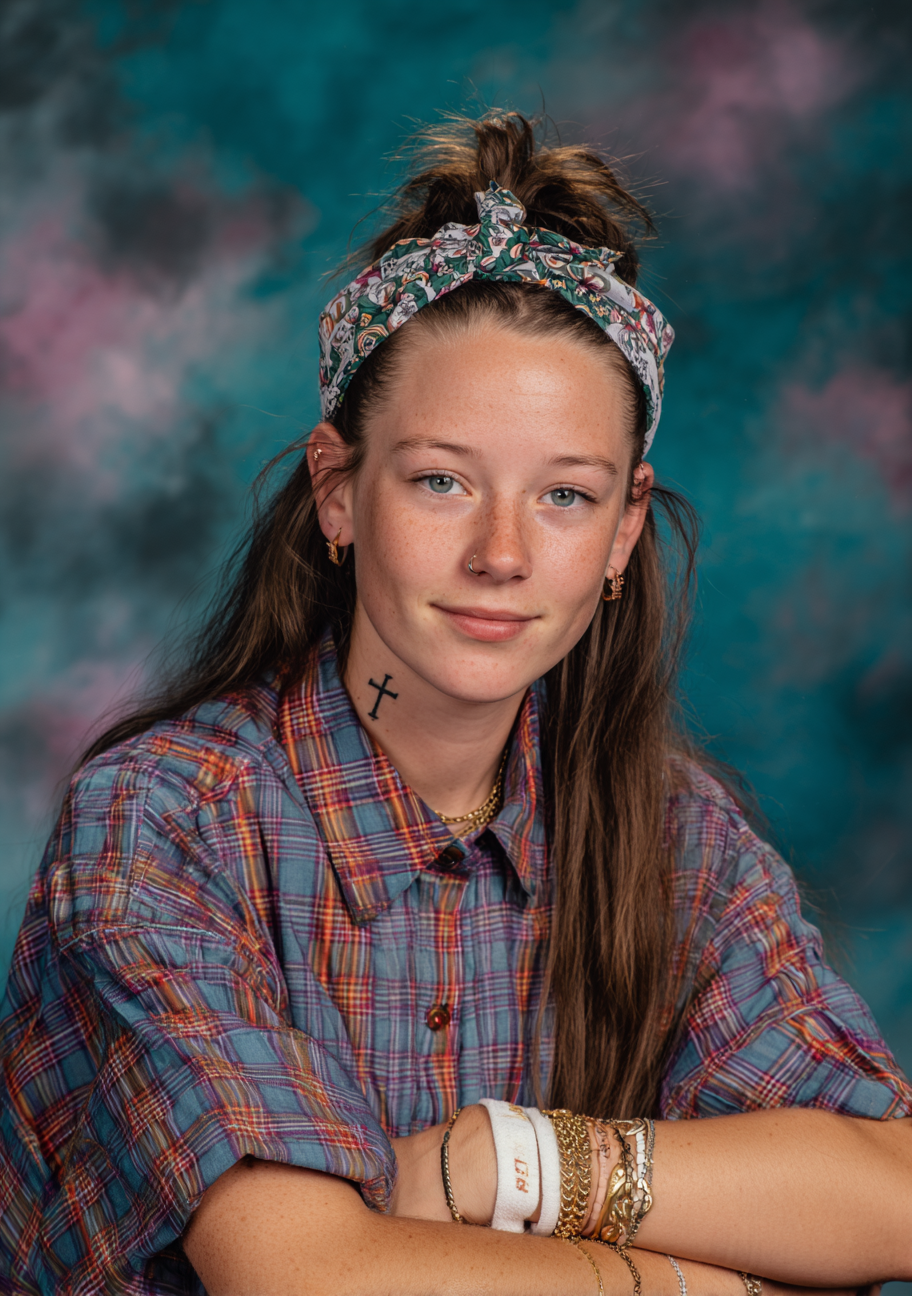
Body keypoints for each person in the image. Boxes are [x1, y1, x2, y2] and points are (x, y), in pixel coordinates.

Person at [0, 112, 910, 1296]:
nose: (502, 553)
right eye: (441, 480)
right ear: (337, 491)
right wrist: (684, 1281)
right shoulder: (163, 822)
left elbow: (887, 1191)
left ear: (626, 530)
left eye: (566, 499)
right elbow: (306, 1276)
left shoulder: (677, 836)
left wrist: (524, 1162)